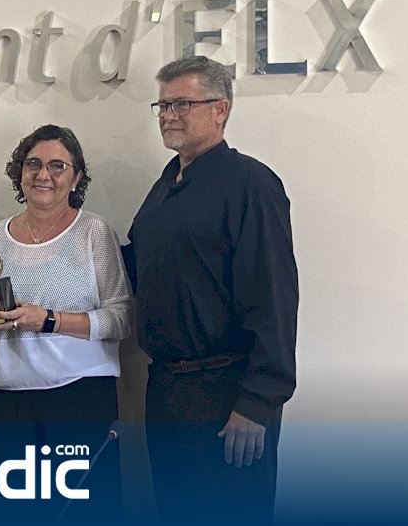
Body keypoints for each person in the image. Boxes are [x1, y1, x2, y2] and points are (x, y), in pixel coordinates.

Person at [125, 55, 299, 524]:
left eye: (182, 104)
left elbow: (274, 295)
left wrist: (256, 403)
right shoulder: (166, 184)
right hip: (167, 390)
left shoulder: (251, 184)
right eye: (163, 106)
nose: (168, 115)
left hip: (226, 396)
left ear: (220, 109)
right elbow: (143, 267)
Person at [0, 124, 132, 519]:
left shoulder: (93, 232)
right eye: (34, 164)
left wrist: (49, 320)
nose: (44, 175)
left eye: (58, 166)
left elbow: (121, 318)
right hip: (7, 401)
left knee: (83, 515)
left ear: (76, 178)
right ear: (19, 172)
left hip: (78, 401)